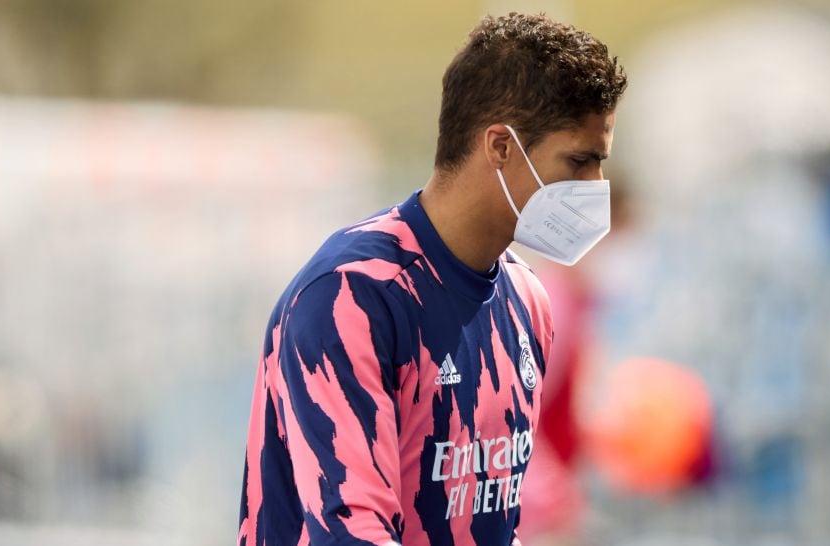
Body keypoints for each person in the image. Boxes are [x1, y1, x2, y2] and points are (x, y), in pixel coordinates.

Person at [237, 12, 627, 546]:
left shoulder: (528, 301)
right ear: (500, 146)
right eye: (579, 161)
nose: (595, 186)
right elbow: (352, 531)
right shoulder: (352, 294)